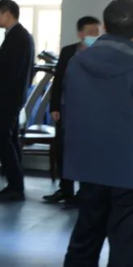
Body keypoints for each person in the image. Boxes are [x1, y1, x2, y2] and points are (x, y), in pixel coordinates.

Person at [57, 0, 133, 267]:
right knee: (126, 252)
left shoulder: (79, 61)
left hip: (89, 168)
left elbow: (70, 109)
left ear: (105, 26)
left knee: (85, 239)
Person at [43, 15, 102, 207]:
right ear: (80, 34)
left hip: (90, 112)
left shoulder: (101, 53)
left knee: (86, 151)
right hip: (66, 108)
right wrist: (54, 106)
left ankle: (84, 192)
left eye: (97, 32)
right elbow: (58, 79)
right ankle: (65, 189)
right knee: (63, 149)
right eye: (90, 32)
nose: (95, 35)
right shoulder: (69, 52)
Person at [0, 0, 35, 202]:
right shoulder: (19, 36)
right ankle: (15, 183)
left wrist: (0, 97)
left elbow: (12, 73)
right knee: (11, 140)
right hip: (10, 98)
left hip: (7, 99)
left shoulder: (19, 38)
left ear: (7, 14)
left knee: (3, 140)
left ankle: (15, 185)